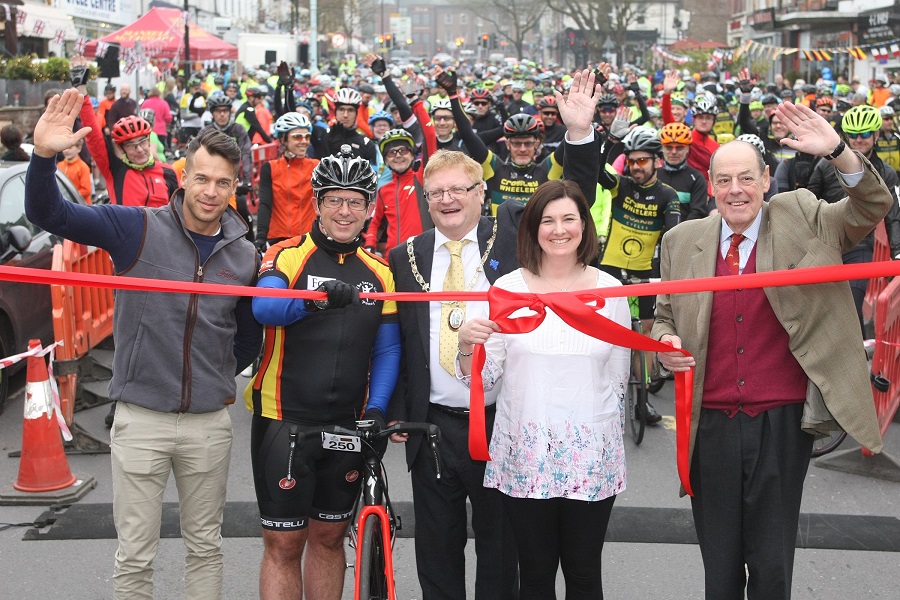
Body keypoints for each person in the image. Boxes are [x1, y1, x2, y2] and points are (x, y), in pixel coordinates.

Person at [25, 89, 262, 600]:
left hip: (207, 426)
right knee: (135, 556)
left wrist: (213, 377)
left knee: (206, 547)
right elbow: (51, 215)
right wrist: (43, 157)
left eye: (223, 182)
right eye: (202, 178)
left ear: (235, 186)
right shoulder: (136, 228)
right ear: (183, 175)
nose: (210, 191)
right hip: (141, 421)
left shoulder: (245, 255)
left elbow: (247, 338)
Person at [652, 100, 892, 600]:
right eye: (723, 180)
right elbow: (665, 317)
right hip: (709, 421)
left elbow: (871, 207)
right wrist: (664, 345)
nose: (734, 190)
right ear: (711, 185)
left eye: (746, 178)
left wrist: (839, 153)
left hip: (781, 421)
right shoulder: (681, 241)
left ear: (766, 181)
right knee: (718, 567)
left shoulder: (802, 215)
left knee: (771, 563)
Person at [387, 68, 604, 600]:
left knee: (500, 557)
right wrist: (394, 409)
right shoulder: (404, 255)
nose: (446, 200)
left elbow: (570, 199)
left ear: (481, 191)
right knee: (435, 555)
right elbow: (399, 339)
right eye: (435, 192)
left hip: (504, 423)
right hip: (432, 426)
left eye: (458, 189)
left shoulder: (514, 228)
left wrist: (578, 134)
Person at [457, 179, 627, 599]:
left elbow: (619, 380)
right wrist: (466, 347)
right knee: (533, 576)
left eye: (569, 218)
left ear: (585, 226)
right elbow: (483, 379)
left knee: (585, 574)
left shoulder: (612, 292)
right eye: (547, 220)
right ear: (532, 229)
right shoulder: (507, 291)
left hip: (590, 453)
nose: (559, 229)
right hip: (526, 453)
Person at [245, 145, 399, 599]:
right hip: (283, 418)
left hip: (348, 424)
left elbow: (388, 350)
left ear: (371, 208)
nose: (344, 210)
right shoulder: (287, 255)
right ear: (317, 204)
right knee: (283, 544)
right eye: (334, 199)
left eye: (355, 200)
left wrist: (377, 407)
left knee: (330, 539)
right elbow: (264, 307)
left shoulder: (380, 273)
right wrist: (315, 299)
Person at [807, 104, 900, 334]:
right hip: (826, 241)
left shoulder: (885, 172)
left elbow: (894, 215)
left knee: (852, 301)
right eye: (853, 135)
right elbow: (809, 203)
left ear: (876, 135)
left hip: (861, 244)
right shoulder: (824, 165)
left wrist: (897, 252)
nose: (859, 140)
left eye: (865, 134)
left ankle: (856, 356)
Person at [254, 113, 320, 252]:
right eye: (297, 136)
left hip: (308, 240)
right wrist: (260, 237)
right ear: (283, 139)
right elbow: (265, 204)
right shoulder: (270, 168)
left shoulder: (317, 167)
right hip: (278, 239)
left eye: (307, 137)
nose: (304, 141)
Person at [657, 122, 709, 220]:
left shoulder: (696, 178)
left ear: (688, 149)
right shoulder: (653, 175)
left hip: (683, 232)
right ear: (662, 148)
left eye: (679, 147)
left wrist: (679, 234)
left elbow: (697, 212)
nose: (674, 152)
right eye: (668, 147)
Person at [57, 138, 92, 204]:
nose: (66, 151)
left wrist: (68, 196)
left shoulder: (83, 167)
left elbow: (86, 190)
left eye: (70, 148)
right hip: (64, 203)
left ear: (79, 148)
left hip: (80, 205)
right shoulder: (59, 165)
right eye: (64, 148)